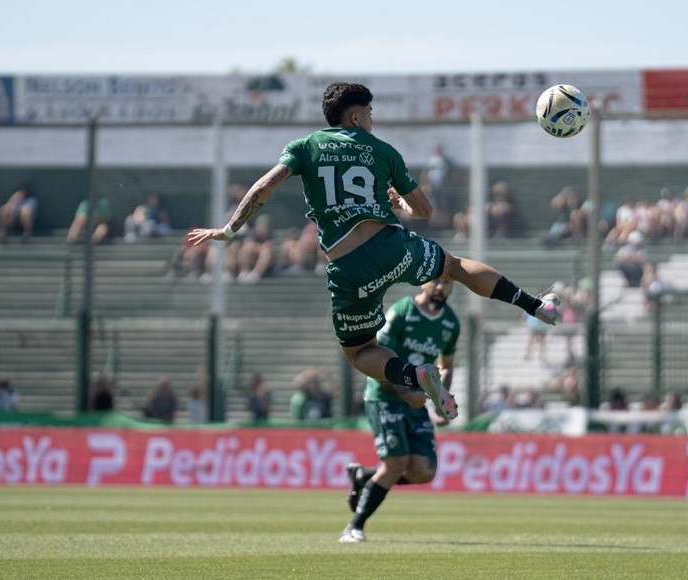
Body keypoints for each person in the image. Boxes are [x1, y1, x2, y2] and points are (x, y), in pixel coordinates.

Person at [188, 82, 561, 422]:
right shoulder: (383, 152)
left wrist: (229, 229)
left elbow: (264, 187)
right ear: (354, 115)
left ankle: (415, 374)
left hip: (349, 268)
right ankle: (535, 306)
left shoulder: (304, 146)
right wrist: (398, 201)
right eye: (369, 112)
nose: (371, 119)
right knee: (456, 267)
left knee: (360, 352)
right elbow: (425, 212)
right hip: (393, 247)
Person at [340, 278, 460, 543]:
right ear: (423, 283)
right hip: (385, 396)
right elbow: (373, 360)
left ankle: (363, 476)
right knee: (395, 463)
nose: (442, 288)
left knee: (423, 470)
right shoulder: (401, 313)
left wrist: (441, 400)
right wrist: (406, 393)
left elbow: (447, 364)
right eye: (437, 281)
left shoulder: (450, 322)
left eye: (448, 283)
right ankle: (353, 528)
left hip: (416, 400)